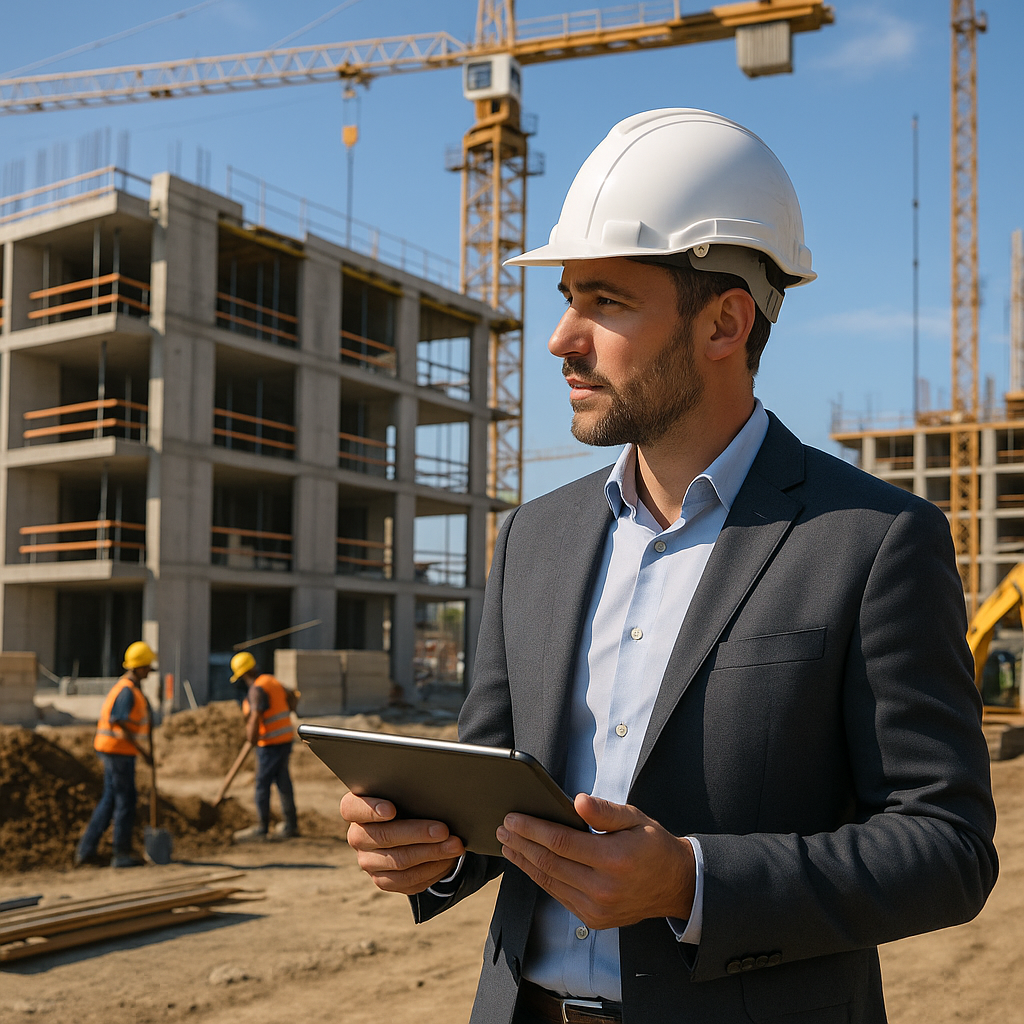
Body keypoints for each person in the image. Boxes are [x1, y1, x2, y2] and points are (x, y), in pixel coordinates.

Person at [340, 109, 998, 1023]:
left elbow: (948, 848)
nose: (562, 339)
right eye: (568, 297)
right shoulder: (533, 537)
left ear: (726, 321)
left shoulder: (873, 540)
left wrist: (691, 882)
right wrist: (434, 848)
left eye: (605, 302)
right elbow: (497, 794)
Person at [75, 641, 155, 868]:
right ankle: (120, 853)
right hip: (118, 752)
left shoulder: (127, 688)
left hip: (115, 750)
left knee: (110, 800)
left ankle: (86, 850)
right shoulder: (127, 691)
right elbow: (118, 719)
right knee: (125, 800)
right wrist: (142, 751)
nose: (149, 671)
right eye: (148, 667)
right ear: (139, 667)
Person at [230, 651, 300, 841]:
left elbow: (255, 717)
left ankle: (262, 828)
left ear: (243, 674)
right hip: (285, 738)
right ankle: (291, 825)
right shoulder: (271, 681)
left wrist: (251, 738)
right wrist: (290, 709)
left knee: (262, 784)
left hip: (269, 744)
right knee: (283, 781)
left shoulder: (256, 690)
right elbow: (293, 695)